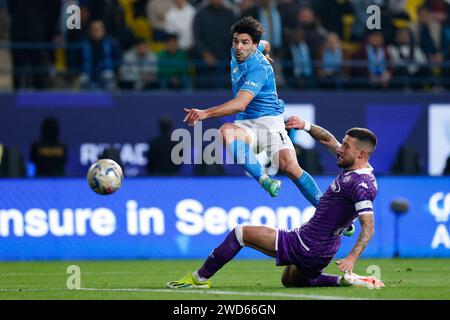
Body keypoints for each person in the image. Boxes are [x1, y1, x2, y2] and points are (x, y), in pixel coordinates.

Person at [168, 118, 384, 289]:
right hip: (323, 250)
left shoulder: (362, 183)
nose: (340, 148)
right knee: (290, 281)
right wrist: (305, 126)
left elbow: (369, 226)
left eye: (346, 146)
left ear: (361, 153)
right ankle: (344, 281)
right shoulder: (354, 167)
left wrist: (351, 258)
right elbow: (328, 140)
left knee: (241, 233)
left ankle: (199, 278)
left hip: (307, 243)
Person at [184, 16, 322, 206]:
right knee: (226, 130)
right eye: (236, 41)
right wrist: (264, 49)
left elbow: (240, 103)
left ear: (253, 45)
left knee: (290, 167)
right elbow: (265, 44)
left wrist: (204, 113)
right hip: (246, 125)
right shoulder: (236, 52)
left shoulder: (259, 69)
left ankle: (328, 211)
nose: (239, 46)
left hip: (270, 125)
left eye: (244, 43)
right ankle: (265, 180)